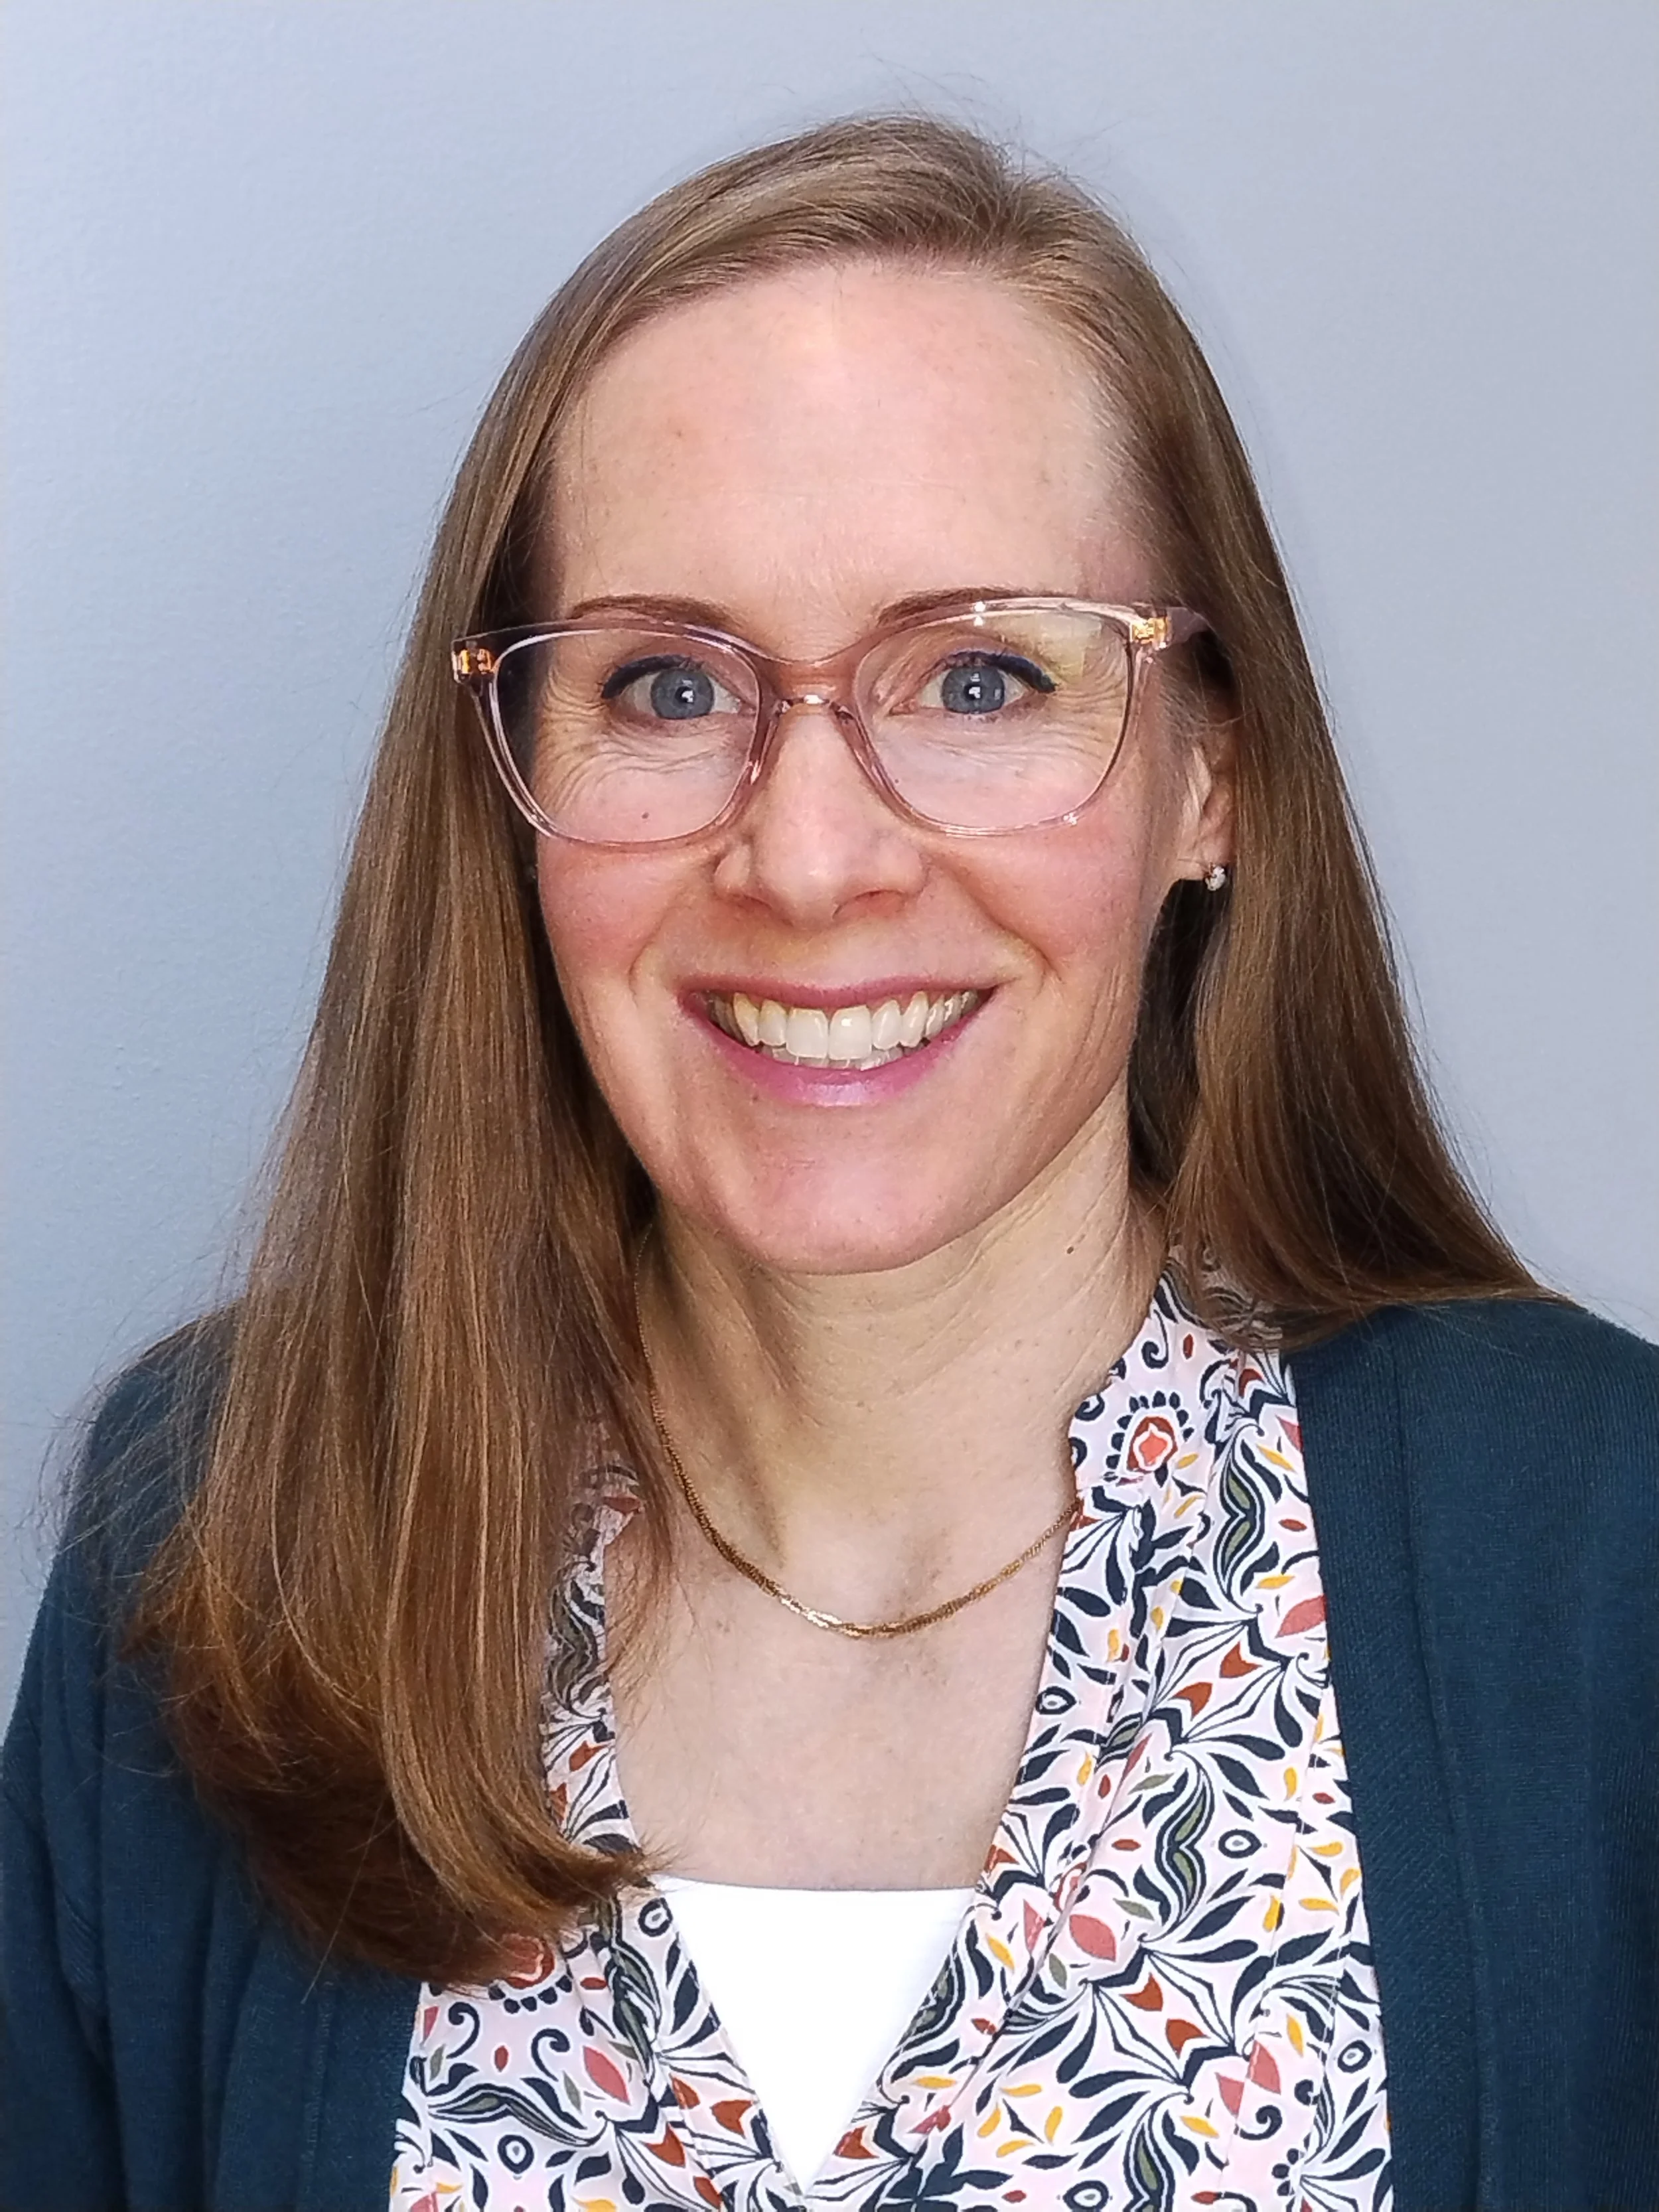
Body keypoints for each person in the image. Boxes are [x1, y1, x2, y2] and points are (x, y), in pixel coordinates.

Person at [2, 113, 1654, 2212]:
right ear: (513, 784)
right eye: (668, 685)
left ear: (1207, 774)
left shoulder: (1599, 1561)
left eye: (979, 674)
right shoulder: (222, 1539)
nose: (805, 856)